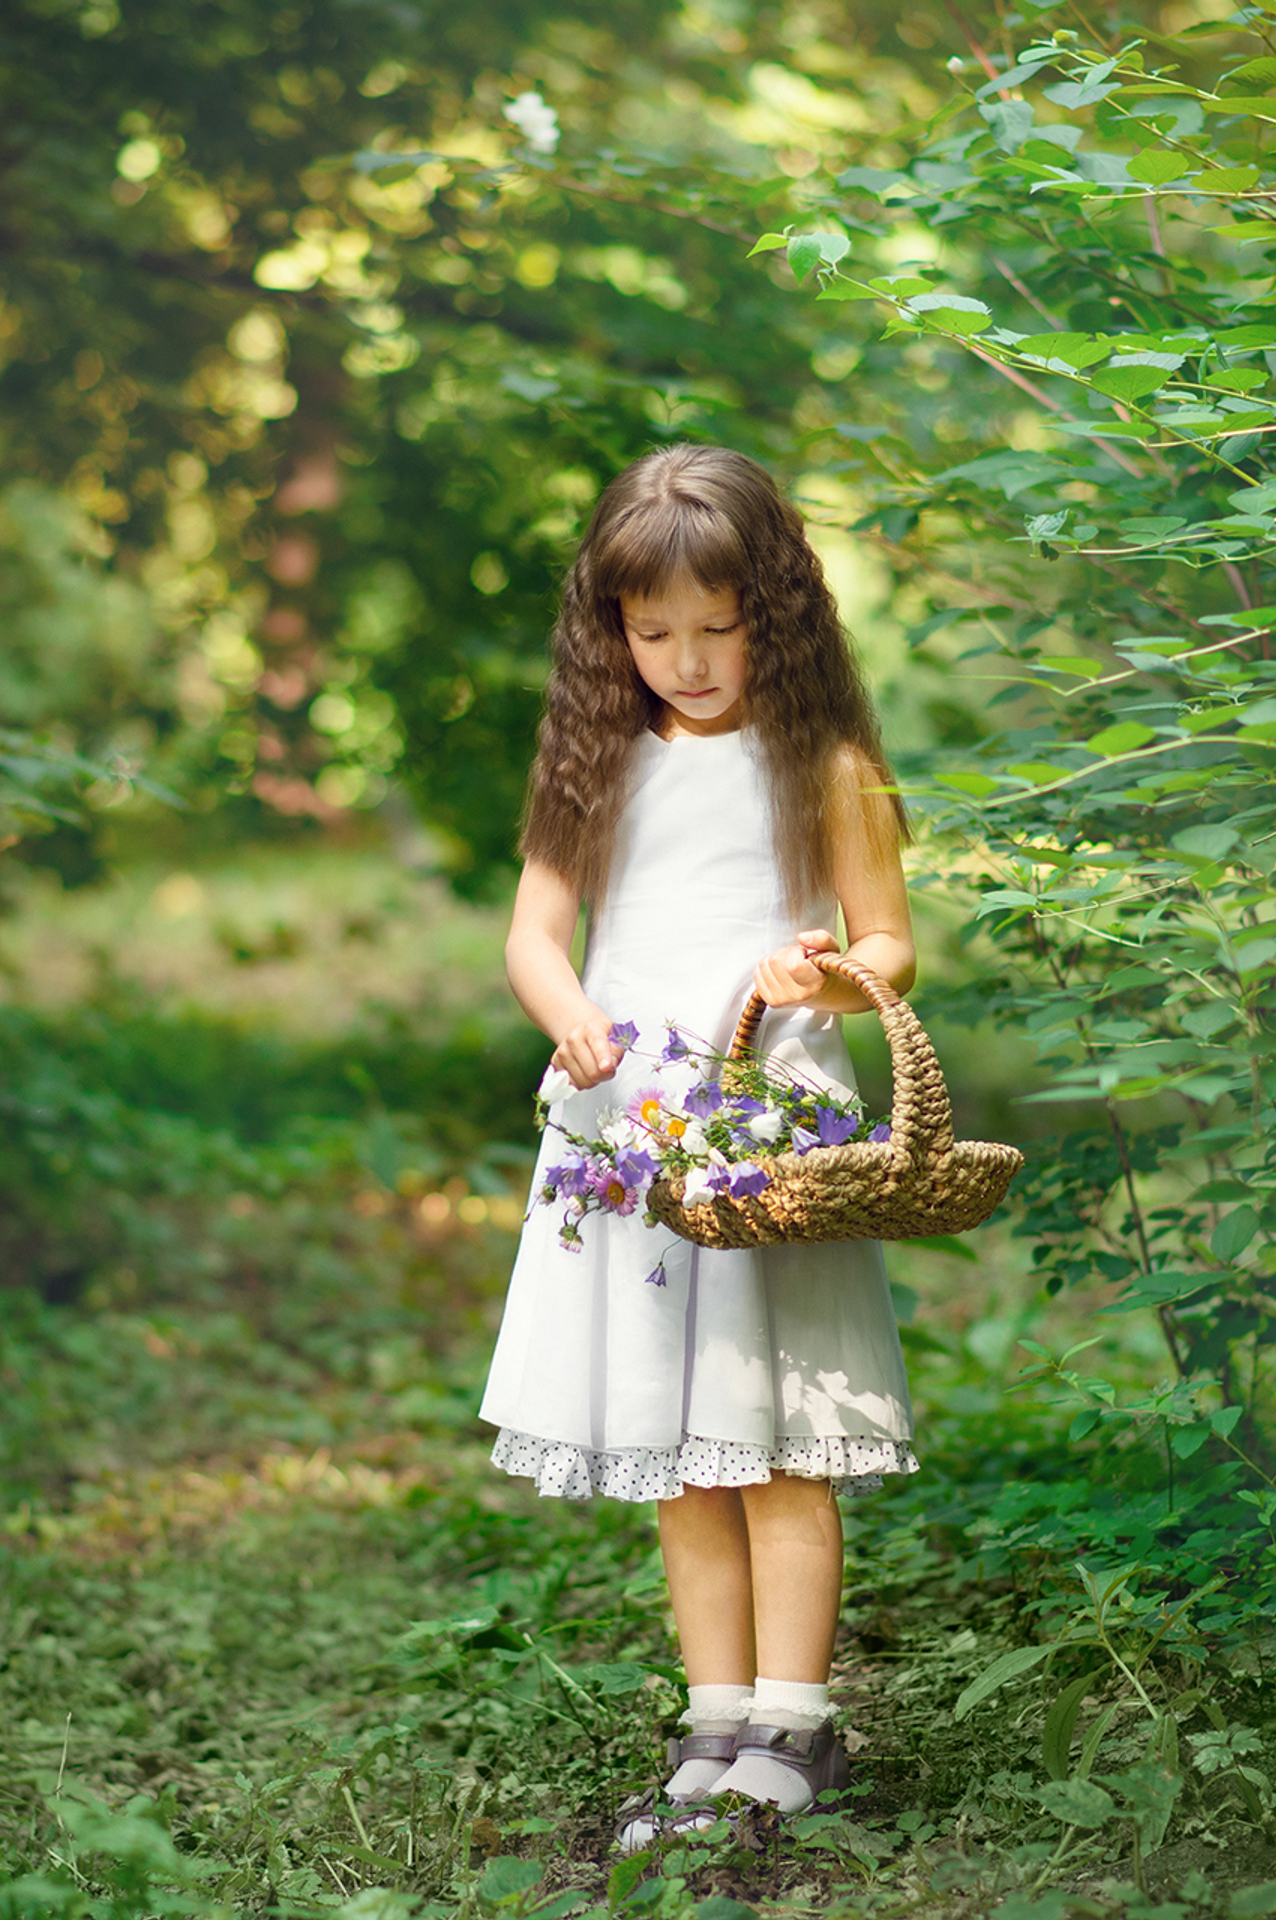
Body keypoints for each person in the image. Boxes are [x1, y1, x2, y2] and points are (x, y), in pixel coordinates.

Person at [480, 444, 919, 1847]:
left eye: (717, 629)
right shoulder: (600, 765)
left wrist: (836, 977)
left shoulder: (824, 760)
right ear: (612, 633)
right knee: (678, 1448)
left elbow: (891, 938)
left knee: (774, 1435)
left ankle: (795, 1721)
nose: (687, 660)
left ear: (771, 616)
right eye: (652, 632)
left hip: (768, 1132)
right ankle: (712, 1719)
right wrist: (573, 1022)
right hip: (636, 1139)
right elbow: (535, 938)